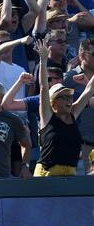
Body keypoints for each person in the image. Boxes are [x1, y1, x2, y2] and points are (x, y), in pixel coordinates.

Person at [35, 41, 94, 176]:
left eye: (69, 97)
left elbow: (89, 90)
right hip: (46, 175)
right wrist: (43, 61)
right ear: (53, 102)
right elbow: (44, 86)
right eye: (63, 97)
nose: (69, 100)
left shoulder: (73, 112)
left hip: (70, 176)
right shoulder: (48, 116)